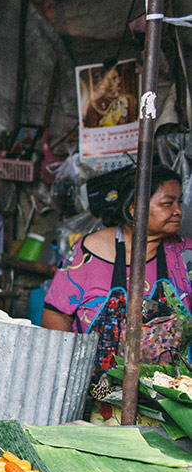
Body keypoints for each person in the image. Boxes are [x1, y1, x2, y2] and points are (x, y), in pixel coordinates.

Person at [42, 165, 192, 380]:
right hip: (100, 389)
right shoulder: (89, 253)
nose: (178, 211)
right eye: (167, 203)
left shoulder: (185, 255)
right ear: (134, 208)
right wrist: (72, 370)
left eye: (179, 202)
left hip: (170, 391)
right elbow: (55, 313)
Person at [82, 59, 134, 129]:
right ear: (103, 80)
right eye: (108, 79)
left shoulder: (126, 100)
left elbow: (132, 124)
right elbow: (91, 131)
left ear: (119, 79)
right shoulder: (95, 105)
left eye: (114, 78)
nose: (111, 82)